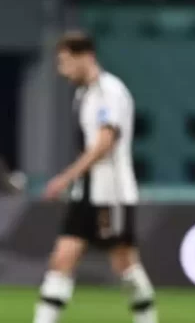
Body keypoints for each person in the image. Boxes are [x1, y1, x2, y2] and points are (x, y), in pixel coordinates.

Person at [34, 32, 157, 323]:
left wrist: (64, 177)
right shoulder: (83, 93)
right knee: (61, 259)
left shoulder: (109, 91)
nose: (62, 70)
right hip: (85, 193)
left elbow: (105, 143)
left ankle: (148, 318)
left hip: (111, 193)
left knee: (125, 266)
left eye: (65, 62)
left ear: (85, 56)